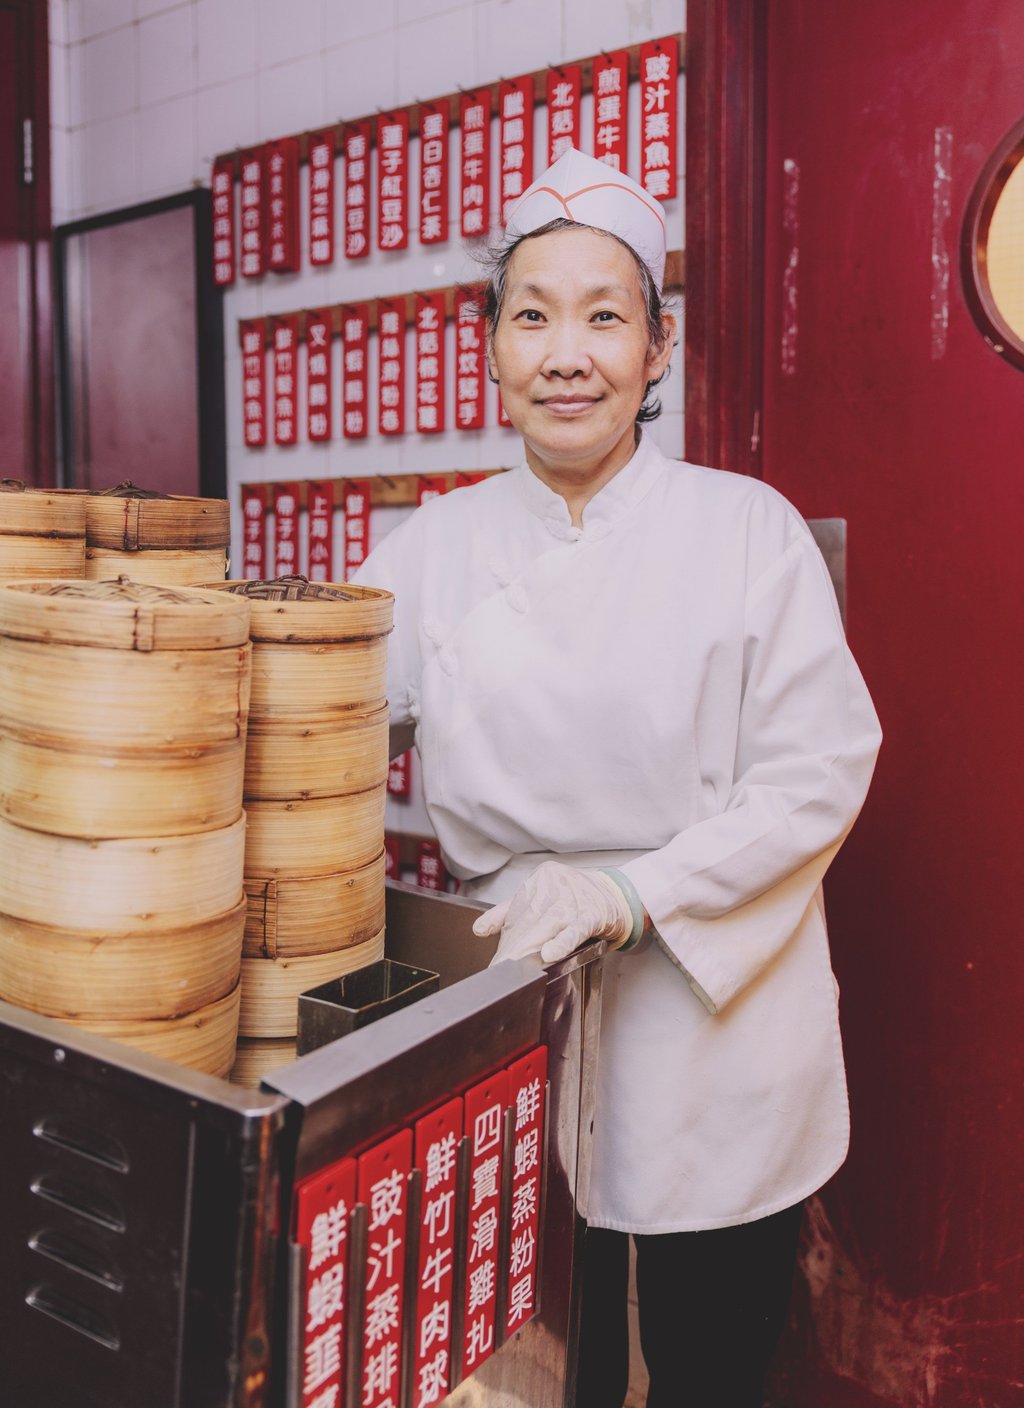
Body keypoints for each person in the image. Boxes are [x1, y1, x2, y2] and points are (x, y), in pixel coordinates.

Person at [353, 148, 882, 1407]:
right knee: (536, 1363)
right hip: (515, 1008)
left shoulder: (744, 527)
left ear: (658, 349)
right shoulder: (430, 547)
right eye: (531, 315)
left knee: (708, 1361)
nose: (566, 352)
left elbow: (819, 770)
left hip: (718, 1014)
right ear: (488, 345)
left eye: (605, 316)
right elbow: (322, 724)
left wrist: (631, 893)